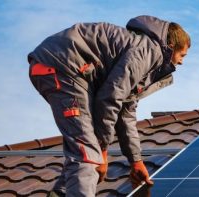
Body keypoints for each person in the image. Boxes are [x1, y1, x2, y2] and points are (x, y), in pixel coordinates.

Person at [28, 15, 190, 196]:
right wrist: (102, 149)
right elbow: (111, 97)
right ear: (170, 46)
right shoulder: (148, 51)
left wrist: (135, 161)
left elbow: (125, 111)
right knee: (88, 153)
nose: (182, 61)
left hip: (64, 69)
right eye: (182, 55)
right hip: (65, 67)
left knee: (83, 142)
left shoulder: (145, 56)